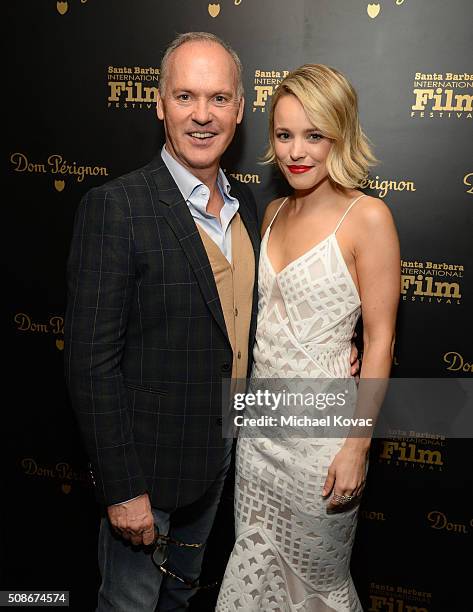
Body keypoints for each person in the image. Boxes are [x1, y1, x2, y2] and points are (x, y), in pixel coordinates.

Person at [65, 33, 359, 610]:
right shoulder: (116, 207)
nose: (202, 115)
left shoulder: (252, 207)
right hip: (147, 472)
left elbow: (257, 318)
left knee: (182, 600)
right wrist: (123, 490)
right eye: (185, 96)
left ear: (240, 108)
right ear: (159, 104)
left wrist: (333, 356)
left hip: (227, 459)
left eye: (219, 98)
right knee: (129, 603)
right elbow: (89, 364)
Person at [217, 64, 400, 611]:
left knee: (315, 586)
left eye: (314, 134)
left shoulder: (368, 218)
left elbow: (382, 338)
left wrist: (356, 446)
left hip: (322, 448)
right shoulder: (271, 212)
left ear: (340, 134)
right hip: (260, 436)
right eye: (284, 134)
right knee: (254, 571)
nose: (298, 151)